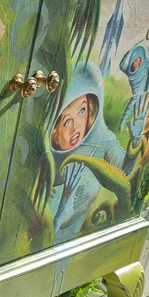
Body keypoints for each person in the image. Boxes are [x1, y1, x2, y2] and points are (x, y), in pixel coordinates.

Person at [49, 62, 126, 240]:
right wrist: (61, 210)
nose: (75, 126)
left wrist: (137, 142)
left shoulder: (101, 138)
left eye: (82, 111)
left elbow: (126, 169)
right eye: (67, 121)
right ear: (55, 134)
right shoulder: (46, 172)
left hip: (74, 245)